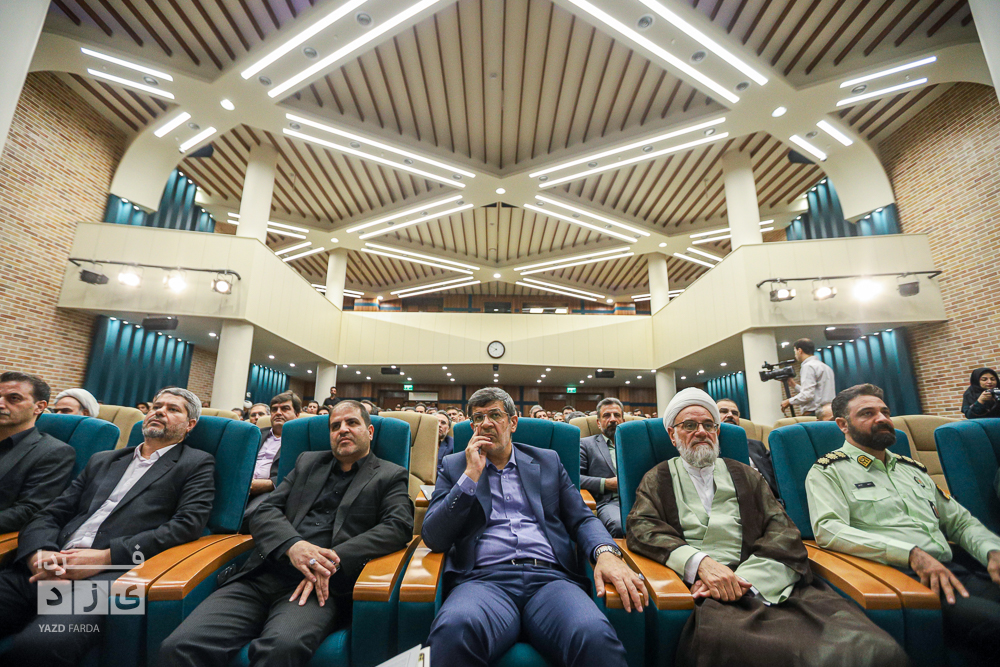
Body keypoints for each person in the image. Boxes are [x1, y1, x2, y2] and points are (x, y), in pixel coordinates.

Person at [626, 388, 907, 667]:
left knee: (872, 648)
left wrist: (743, 581)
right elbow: (642, 527)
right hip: (706, 593)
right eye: (689, 425)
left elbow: (783, 531)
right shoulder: (657, 478)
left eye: (709, 425)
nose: (701, 432)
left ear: (717, 432)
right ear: (672, 434)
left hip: (770, 583)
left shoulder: (746, 474)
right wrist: (700, 564)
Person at [159, 401, 413, 667]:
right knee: (179, 647)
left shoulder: (389, 474)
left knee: (281, 649)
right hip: (262, 574)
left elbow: (398, 525)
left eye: (352, 423)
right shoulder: (308, 463)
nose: (343, 430)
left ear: (370, 432)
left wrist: (330, 560)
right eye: (335, 426)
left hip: (317, 585)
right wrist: (293, 546)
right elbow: (265, 510)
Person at [423, 387, 646, 666]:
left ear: (513, 422)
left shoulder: (547, 461)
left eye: (495, 415)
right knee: (453, 632)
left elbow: (582, 518)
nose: (486, 423)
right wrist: (470, 476)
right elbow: (434, 536)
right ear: (472, 427)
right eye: (478, 418)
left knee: (594, 636)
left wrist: (605, 552)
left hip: (550, 580)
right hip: (483, 581)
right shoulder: (455, 466)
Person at [0, 387, 215, 666]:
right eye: (156, 406)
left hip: (114, 576)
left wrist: (105, 557)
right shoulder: (103, 459)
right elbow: (50, 514)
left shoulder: (195, 463)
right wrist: (38, 555)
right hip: (47, 564)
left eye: (173, 409)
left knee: (41, 645)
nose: (159, 411)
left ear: (190, 424)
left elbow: (186, 526)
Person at [807, 383, 1000, 665]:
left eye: (885, 412)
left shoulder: (912, 469)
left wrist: (992, 551)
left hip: (955, 569)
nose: (882, 418)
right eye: (867, 413)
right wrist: (910, 553)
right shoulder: (828, 472)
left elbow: (959, 522)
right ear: (843, 425)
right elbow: (829, 530)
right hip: (902, 578)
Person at [0, 372, 75, 534]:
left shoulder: (54, 452)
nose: (1, 404)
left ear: (39, 407)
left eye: (14, 398)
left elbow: (29, 510)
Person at [242, 391, 301, 530]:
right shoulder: (255, 434)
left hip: (271, 491)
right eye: (274, 409)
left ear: (297, 414)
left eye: (285, 409)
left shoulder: (300, 439)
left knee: (249, 516)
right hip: (241, 486)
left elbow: (299, 473)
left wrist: (268, 484)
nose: (278, 413)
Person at [716, 398, 779, 498]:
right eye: (723, 411)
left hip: (770, 499)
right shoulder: (708, 447)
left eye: (735, 413)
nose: (730, 415)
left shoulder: (757, 445)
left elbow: (778, 468)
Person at [580, 397, 625, 537]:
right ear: (598, 423)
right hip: (609, 502)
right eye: (607, 415)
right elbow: (574, 478)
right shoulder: (586, 444)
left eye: (617, 415)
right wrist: (606, 483)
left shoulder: (634, 444)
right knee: (619, 525)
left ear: (623, 420)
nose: (613, 419)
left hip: (640, 500)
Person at [781, 339, 835, 416]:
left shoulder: (808, 366)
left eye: (795, 351)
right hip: (828, 412)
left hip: (814, 413)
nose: (795, 355)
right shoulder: (825, 367)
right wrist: (793, 385)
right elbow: (815, 393)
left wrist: (789, 401)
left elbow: (807, 395)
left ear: (799, 350)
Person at [434, 412, 454, 478]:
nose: (439, 425)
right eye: (436, 422)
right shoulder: (419, 441)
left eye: (443, 423)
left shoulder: (452, 445)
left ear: (448, 429)